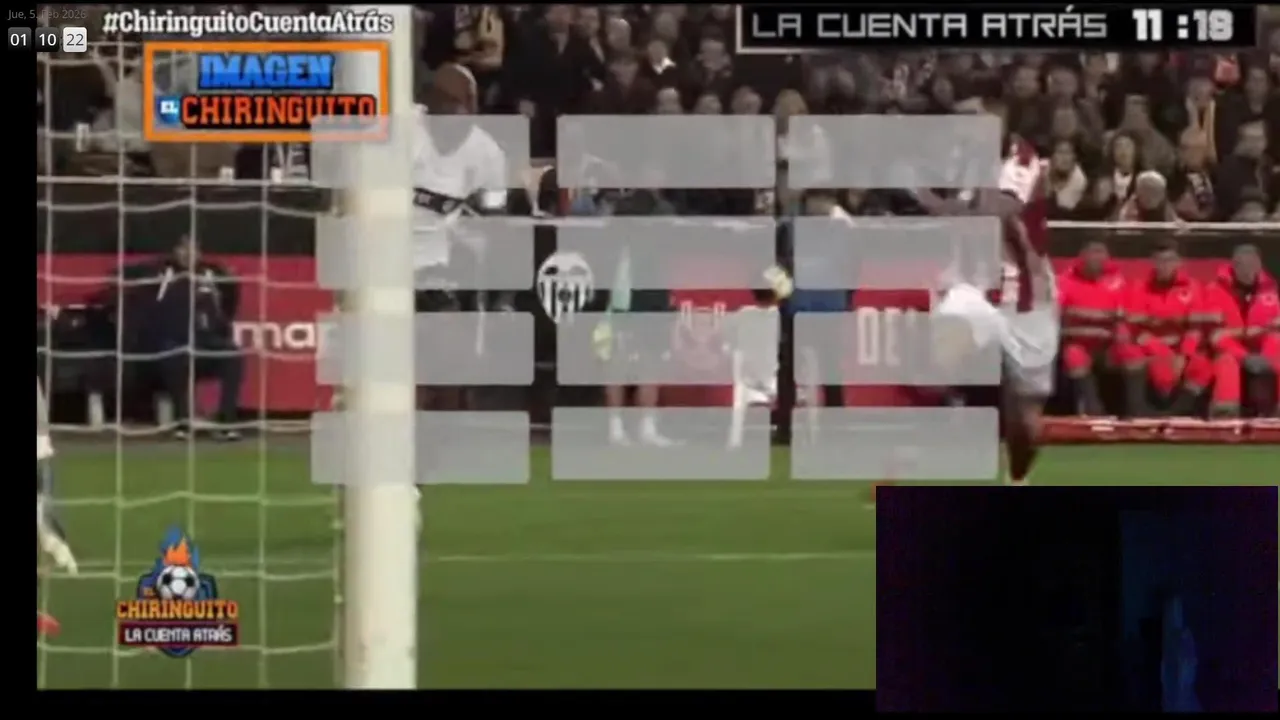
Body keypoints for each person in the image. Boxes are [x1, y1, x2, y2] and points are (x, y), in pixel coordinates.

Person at [915, 96, 1058, 486]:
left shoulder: (1021, 161)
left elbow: (999, 210)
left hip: (1024, 296)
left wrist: (932, 202)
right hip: (973, 289)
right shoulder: (960, 164)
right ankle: (949, 419)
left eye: (972, 118)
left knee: (1026, 419)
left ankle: (1017, 479)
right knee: (934, 363)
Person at [411, 62, 511, 411]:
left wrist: (502, 293)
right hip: (385, 255)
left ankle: (442, 428)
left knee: (447, 351)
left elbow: (496, 216)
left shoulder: (487, 152)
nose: (456, 121)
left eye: (464, 113)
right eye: (449, 111)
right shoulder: (402, 129)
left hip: (440, 261)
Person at [140, 235, 244, 440]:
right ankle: (183, 423)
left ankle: (227, 422)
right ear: (175, 252)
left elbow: (229, 303)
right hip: (174, 343)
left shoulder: (211, 273)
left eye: (193, 249)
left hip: (206, 343)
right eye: (184, 249)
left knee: (233, 356)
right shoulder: (163, 273)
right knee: (176, 357)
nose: (189, 254)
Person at [1114, 240, 1215, 417]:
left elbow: (1196, 326)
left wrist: (1184, 355)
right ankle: (1147, 413)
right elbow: (1135, 325)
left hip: (1182, 346)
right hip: (1150, 347)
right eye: (1160, 261)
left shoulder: (1193, 287)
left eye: (1170, 260)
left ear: (1179, 262)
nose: (1165, 266)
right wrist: (1163, 351)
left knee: (1202, 367)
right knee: (1161, 370)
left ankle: (1177, 412)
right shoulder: (1140, 286)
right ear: (1152, 262)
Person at [1204, 244, 1280, 417]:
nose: (1248, 270)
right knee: (1226, 360)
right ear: (1234, 265)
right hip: (1229, 348)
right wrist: (1244, 354)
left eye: (1252, 264)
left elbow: (1273, 325)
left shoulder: (1270, 288)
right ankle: (1225, 412)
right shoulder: (1215, 289)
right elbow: (1215, 336)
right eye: (1242, 264)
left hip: (1261, 345)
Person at [1057, 241, 1127, 416]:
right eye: (1093, 253)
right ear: (1082, 256)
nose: (1098, 258)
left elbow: (1123, 315)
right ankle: (1092, 412)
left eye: (1102, 253)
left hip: (1109, 343)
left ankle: (1134, 414)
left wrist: (1109, 323)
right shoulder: (1065, 280)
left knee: (1132, 354)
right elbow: (1059, 314)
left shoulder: (1117, 280)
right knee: (1075, 357)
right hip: (1077, 341)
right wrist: (1098, 319)